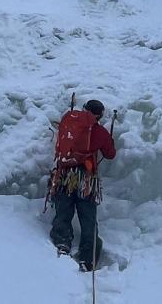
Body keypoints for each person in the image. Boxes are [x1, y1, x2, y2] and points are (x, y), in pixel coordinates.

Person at [48, 98, 117, 271]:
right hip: (85, 178)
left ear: (84, 109)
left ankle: (62, 242)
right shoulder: (99, 131)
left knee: (64, 210)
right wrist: (108, 138)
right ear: (99, 115)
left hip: (64, 173)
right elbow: (110, 154)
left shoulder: (69, 121)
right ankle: (88, 257)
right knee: (87, 217)